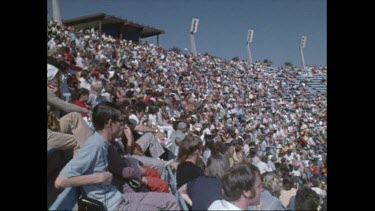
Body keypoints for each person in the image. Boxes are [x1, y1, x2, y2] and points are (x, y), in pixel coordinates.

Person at [54, 102, 179, 210]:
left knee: (170, 200)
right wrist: (97, 178)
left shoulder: (104, 144)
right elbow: (60, 181)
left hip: (119, 197)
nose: (123, 125)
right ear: (110, 123)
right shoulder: (94, 146)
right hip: (114, 206)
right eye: (120, 121)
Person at [47, 64, 92, 153]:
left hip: (53, 124)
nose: (58, 80)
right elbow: (66, 107)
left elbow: (60, 104)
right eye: (55, 77)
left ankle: (91, 149)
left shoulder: (51, 92)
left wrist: (57, 92)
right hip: (49, 130)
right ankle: (82, 164)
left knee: (75, 116)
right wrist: (85, 110)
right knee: (78, 141)